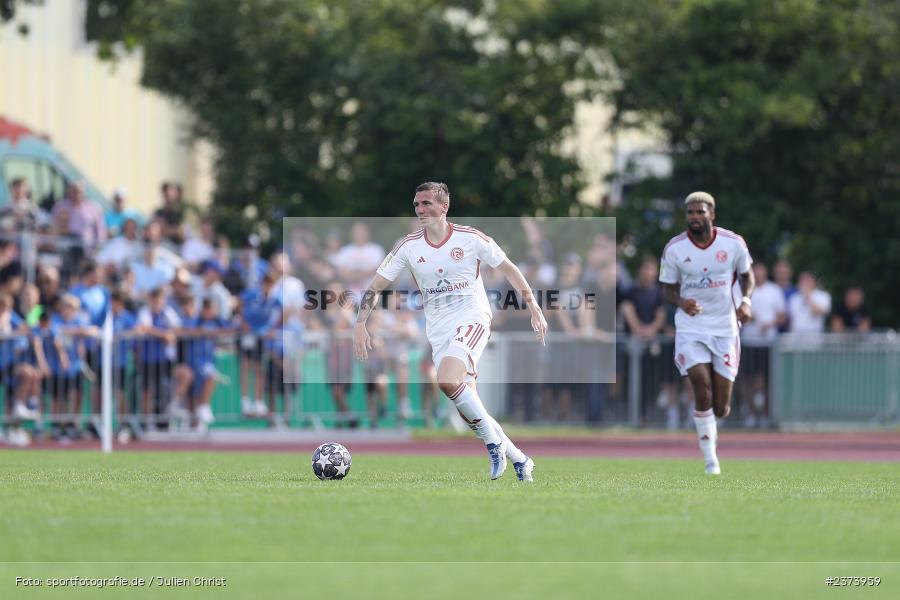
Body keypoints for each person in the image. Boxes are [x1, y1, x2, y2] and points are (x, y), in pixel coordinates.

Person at [353, 182, 548, 481]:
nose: (420, 210)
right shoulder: (408, 246)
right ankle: (521, 460)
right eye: (417, 205)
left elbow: (509, 268)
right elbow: (376, 285)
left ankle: (494, 445)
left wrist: (534, 307)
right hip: (439, 329)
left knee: (446, 380)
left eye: (427, 204)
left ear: (444, 207)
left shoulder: (470, 238)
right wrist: (359, 323)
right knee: (470, 407)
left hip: (473, 317)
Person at [659, 191, 754, 475]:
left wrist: (746, 301)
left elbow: (748, 277)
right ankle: (711, 461)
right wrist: (681, 302)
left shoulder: (733, 243)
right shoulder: (675, 248)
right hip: (691, 327)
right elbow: (667, 289)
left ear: (712, 214)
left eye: (700, 212)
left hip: (724, 328)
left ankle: (712, 427)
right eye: (690, 213)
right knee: (701, 387)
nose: (695, 217)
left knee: (721, 406)